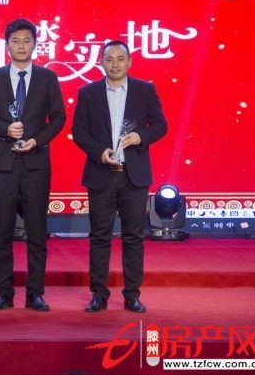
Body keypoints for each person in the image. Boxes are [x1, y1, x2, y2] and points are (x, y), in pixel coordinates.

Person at [71, 40, 168, 313]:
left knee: (133, 237)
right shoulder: (88, 92)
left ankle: (132, 295)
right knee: (99, 236)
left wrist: (141, 137)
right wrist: (98, 151)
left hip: (133, 176)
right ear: (101, 62)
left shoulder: (145, 90)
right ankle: (98, 295)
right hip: (101, 173)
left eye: (120, 59)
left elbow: (161, 125)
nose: (115, 64)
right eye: (109, 59)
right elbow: (79, 131)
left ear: (129, 62)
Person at [0, 19, 66, 311]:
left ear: (35, 44)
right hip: (3, 165)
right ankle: (3, 293)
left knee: (37, 232)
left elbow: (59, 117)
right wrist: (5, 129)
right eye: (15, 41)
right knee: (2, 232)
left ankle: (35, 293)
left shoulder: (48, 78)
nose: (21, 46)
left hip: (36, 165)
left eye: (27, 41)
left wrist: (37, 141)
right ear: (7, 45)